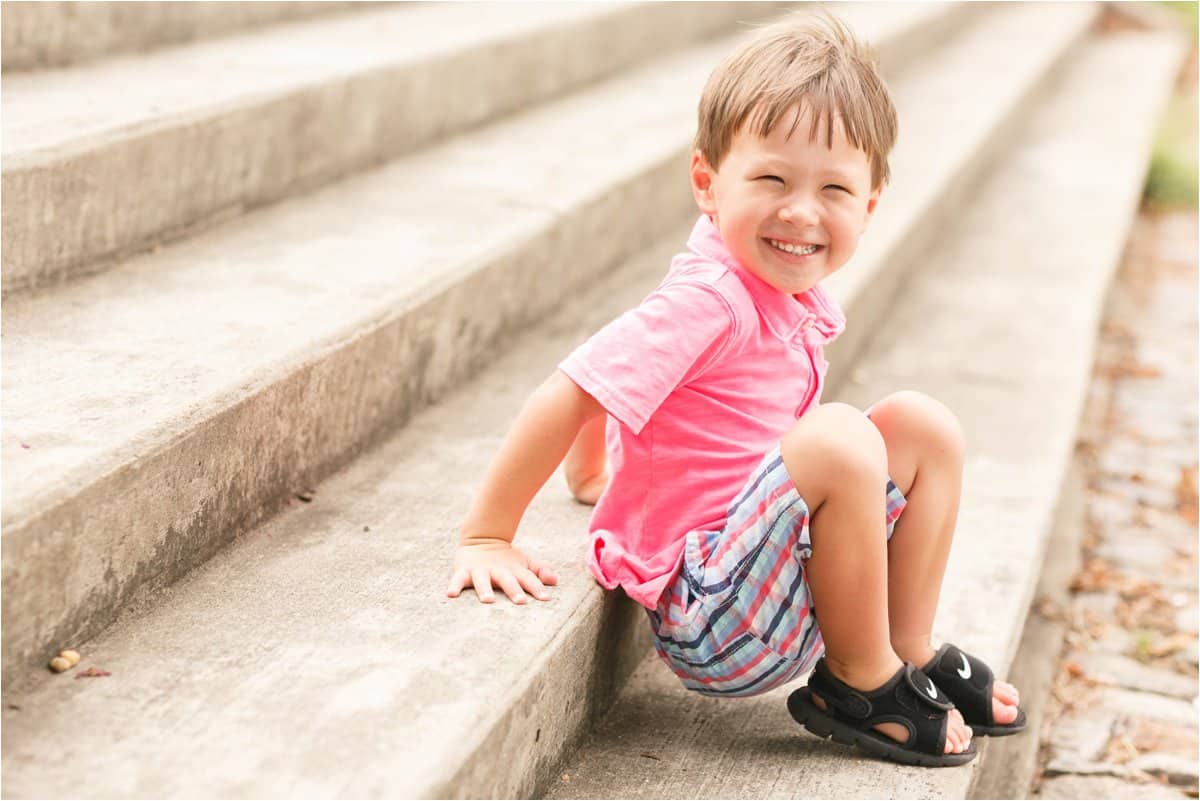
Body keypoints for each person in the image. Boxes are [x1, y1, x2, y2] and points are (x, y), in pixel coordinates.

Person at [445, 11, 1024, 767]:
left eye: (834, 189)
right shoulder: (711, 299)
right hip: (712, 614)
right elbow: (577, 383)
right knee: (842, 434)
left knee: (923, 424)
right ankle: (857, 685)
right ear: (707, 183)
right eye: (772, 178)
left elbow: (607, 373)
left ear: (870, 204)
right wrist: (488, 533)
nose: (800, 211)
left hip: (772, 577)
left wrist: (593, 474)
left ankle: (904, 646)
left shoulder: (776, 293)